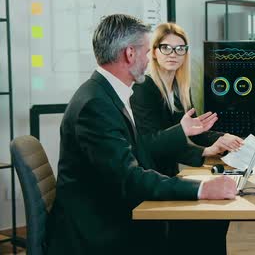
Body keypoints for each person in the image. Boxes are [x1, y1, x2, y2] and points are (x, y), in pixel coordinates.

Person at [46, 14, 237, 255]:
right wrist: (201, 189)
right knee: (204, 226)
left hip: (109, 208)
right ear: (130, 54)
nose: (149, 60)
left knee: (208, 222)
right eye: (147, 52)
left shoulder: (105, 95)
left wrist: (189, 180)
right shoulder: (95, 106)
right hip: (100, 228)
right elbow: (129, 179)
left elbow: (138, 155)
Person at [130, 22, 244, 253]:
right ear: (153, 52)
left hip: (168, 171)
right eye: (166, 48)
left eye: (180, 48)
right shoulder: (144, 88)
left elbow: (194, 129)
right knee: (209, 221)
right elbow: (148, 144)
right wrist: (202, 152)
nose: (174, 54)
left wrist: (223, 138)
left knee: (217, 218)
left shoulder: (179, 88)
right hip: (153, 177)